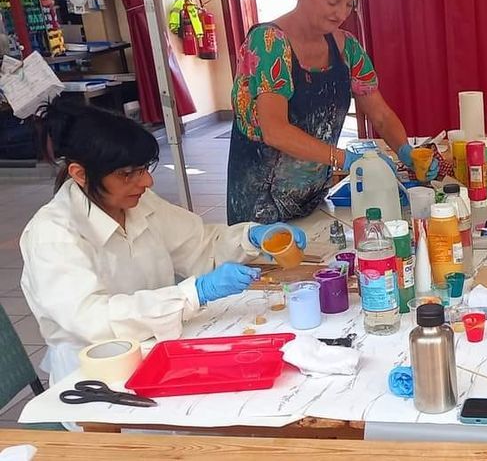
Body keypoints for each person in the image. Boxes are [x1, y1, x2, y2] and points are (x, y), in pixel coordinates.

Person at [19, 102, 307, 386]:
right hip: (97, 377)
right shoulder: (52, 234)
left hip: (161, 351)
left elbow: (200, 245)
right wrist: (193, 294)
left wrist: (252, 238)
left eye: (144, 168)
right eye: (127, 174)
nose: (147, 181)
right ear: (80, 174)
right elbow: (94, 321)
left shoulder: (137, 203)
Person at [227, 0, 437, 224]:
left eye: (349, 4)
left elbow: (381, 114)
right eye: (332, 1)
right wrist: (346, 159)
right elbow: (275, 130)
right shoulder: (268, 44)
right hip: (260, 211)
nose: (340, 13)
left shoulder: (346, 47)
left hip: (313, 202)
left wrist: (406, 151)